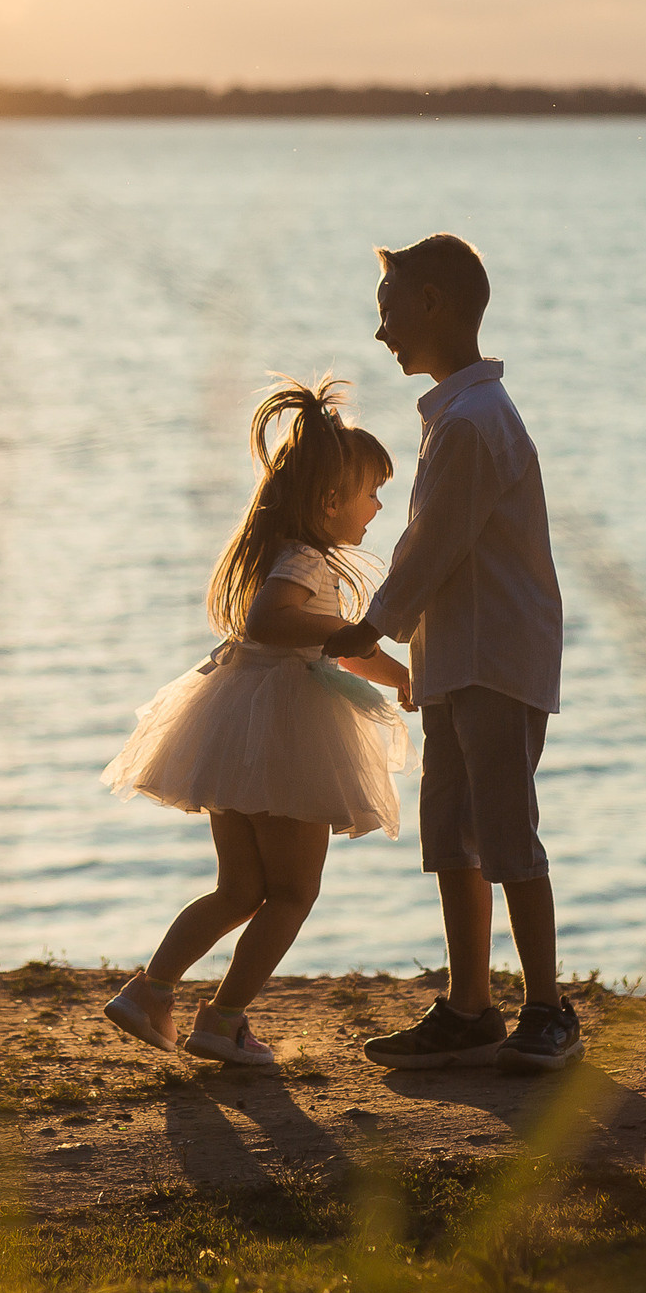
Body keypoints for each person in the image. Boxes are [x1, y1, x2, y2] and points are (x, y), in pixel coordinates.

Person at [99, 376, 417, 1067]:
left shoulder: (289, 555)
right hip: (285, 736)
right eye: (371, 493)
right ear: (331, 502)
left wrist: (398, 674)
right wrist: (355, 633)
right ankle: (223, 1019)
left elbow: (333, 644)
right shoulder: (304, 561)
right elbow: (273, 620)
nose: (379, 504)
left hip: (237, 726)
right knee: (294, 891)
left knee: (240, 888)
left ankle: (150, 990)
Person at [321, 233, 578, 1075]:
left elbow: (432, 547)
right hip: (457, 657)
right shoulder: (454, 417)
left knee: (506, 832)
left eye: (390, 309)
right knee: (453, 831)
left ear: (433, 303)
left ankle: (548, 1007)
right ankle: (472, 1007)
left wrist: (371, 627)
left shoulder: (474, 423)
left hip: (497, 658)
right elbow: (439, 551)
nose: (382, 331)